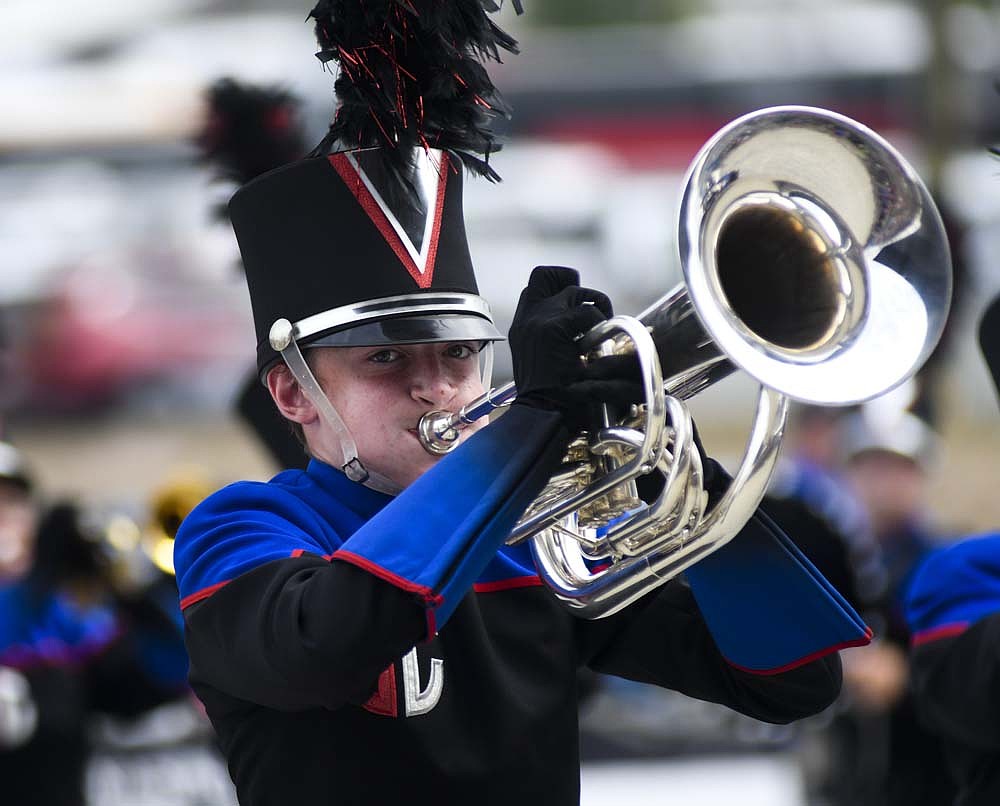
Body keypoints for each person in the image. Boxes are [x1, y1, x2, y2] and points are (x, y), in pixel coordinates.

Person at [173, 3, 869, 804]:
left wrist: (664, 471)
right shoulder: (241, 529)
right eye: (387, 360)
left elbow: (791, 682)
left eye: (461, 354)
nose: (435, 386)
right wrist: (532, 429)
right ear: (293, 392)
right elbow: (323, 644)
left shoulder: (541, 538)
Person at [0, 441, 190, 806]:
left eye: (12, 503)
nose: (4, 517)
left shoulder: (66, 612)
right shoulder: (35, 601)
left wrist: (129, 592)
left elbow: (165, 677)